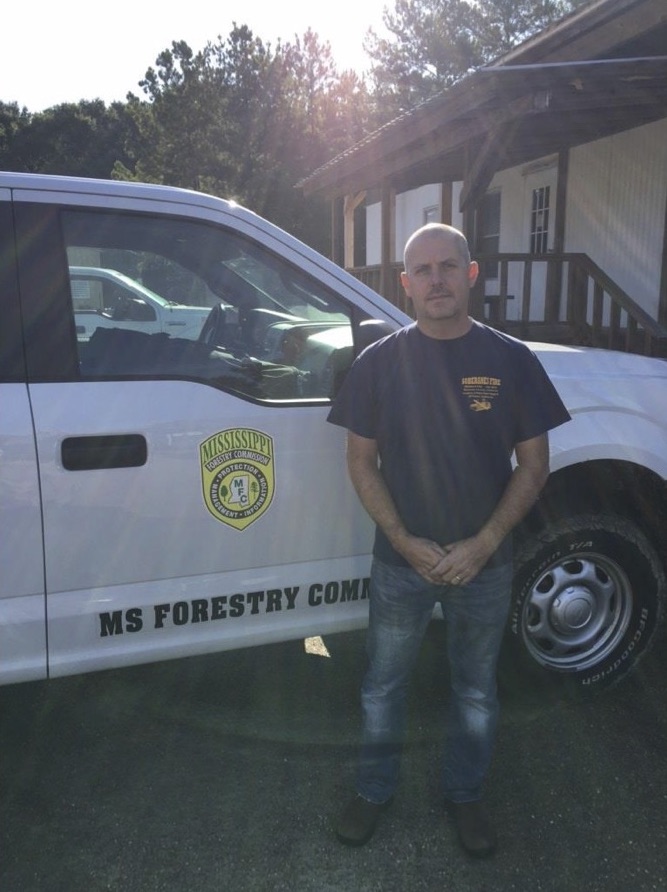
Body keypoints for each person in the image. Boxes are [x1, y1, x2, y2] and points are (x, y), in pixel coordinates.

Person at [327, 223, 571, 857]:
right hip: (400, 564)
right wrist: (404, 541)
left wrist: (484, 544)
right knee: (383, 685)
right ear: (404, 284)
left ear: (470, 273)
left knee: (475, 690)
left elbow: (535, 465)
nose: (434, 279)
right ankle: (374, 790)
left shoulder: (512, 360)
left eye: (447, 266)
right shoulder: (378, 363)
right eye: (421, 269)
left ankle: (465, 796)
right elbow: (360, 462)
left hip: (483, 566)